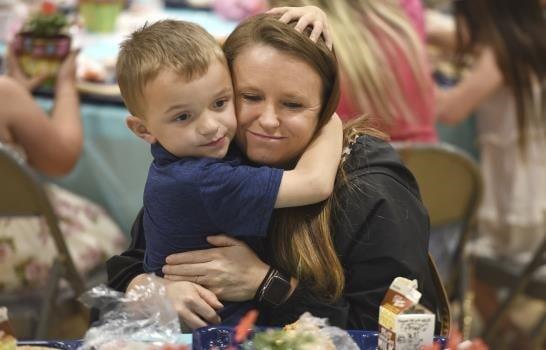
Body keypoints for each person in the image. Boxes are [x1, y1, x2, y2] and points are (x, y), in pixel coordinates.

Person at [107, 12, 440, 331]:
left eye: (293, 104)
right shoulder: (214, 156)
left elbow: (389, 334)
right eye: (249, 96)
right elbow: (126, 269)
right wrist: (153, 292)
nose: (267, 121)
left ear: (325, 106)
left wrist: (268, 284)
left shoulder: (371, 191)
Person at [115, 19, 342, 324]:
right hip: (216, 333)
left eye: (221, 102)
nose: (211, 127)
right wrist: (328, 115)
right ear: (143, 129)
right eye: (183, 116)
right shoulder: (200, 180)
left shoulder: (185, 157)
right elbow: (314, 183)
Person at [435, 0, 546, 344]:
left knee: (458, 253)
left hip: (518, 204)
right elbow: (447, 31)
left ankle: (509, 337)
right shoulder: (531, 39)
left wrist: (407, 76)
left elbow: (450, 109)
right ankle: (512, 334)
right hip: (535, 188)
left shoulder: (500, 55)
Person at [0, 50, 126, 290]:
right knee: (107, 231)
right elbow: (62, 161)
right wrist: (66, 85)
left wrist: (19, 99)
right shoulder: (4, 94)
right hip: (17, 252)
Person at [269, 0, 437, 143]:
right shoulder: (403, 11)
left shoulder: (286, 24)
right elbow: (442, 109)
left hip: (345, 171)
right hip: (434, 172)